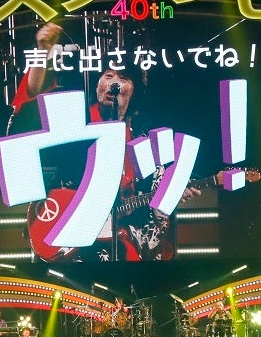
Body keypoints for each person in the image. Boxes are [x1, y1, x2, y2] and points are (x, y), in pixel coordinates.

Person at [12, 22, 199, 262]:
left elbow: (148, 206)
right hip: (69, 231)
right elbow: (31, 106)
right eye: (108, 75)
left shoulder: (142, 141)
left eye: (123, 77)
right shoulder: (76, 119)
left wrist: (171, 192)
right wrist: (42, 51)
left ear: (134, 90)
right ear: (98, 83)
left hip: (116, 241)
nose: (114, 82)